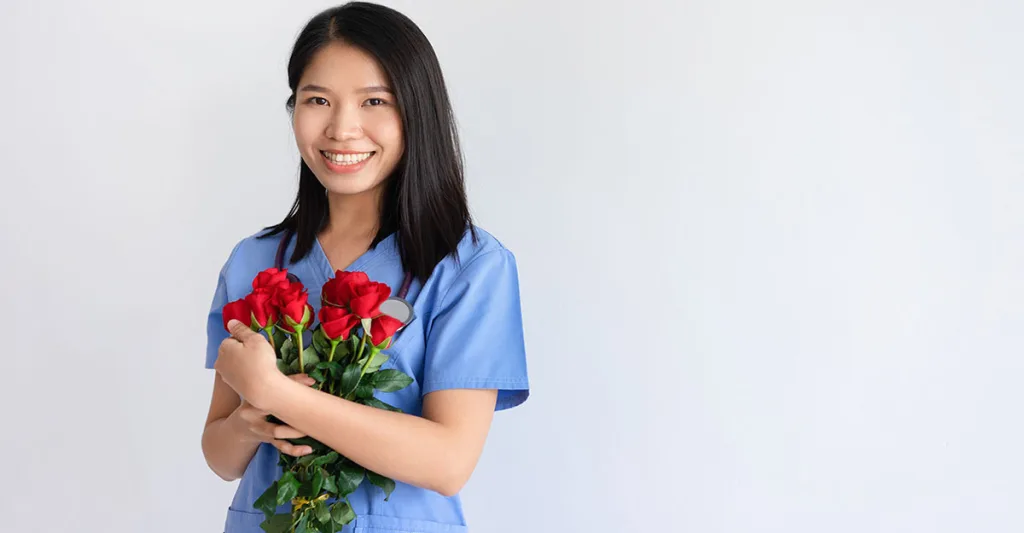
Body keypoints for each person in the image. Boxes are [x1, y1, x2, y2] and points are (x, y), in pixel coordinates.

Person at [199, 3, 530, 532]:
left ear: (415, 112)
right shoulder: (255, 260)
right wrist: (246, 422)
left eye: (374, 100)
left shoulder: (471, 268)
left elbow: (448, 462)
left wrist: (277, 393)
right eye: (317, 100)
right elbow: (220, 455)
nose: (342, 128)